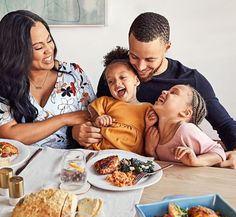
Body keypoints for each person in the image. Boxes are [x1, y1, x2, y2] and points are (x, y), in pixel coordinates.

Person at [73, 12, 236, 168]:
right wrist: (78, 131)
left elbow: (225, 124)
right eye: (134, 56)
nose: (141, 67)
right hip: (114, 162)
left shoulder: (190, 81)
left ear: (167, 47)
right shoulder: (117, 74)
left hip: (173, 167)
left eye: (150, 59)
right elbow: (96, 115)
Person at [0, 10, 95, 149]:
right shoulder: (4, 82)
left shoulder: (73, 73)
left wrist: (77, 132)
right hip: (21, 167)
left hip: (70, 165)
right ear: (16, 52)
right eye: (38, 47)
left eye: (49, 40)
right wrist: (64, 119)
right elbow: (9, 133)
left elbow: (94, 116)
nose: (49, 49)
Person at [88, 47, 151, 154]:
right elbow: (91, 109)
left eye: (122, 77)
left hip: (133, 158)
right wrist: (97, 118)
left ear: (136, 80)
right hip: (101, 152)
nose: (117, 84)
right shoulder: (106, 101)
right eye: (111, 81)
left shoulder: (147, 108)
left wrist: (150, 124)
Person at [145, 84, 226, 166]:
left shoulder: (186, 130)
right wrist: (150, 151)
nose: (164, 91)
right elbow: (160, 165)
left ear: (186, 112)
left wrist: (196, 161)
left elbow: (219, 152)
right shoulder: (154, 133)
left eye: (173, 93)